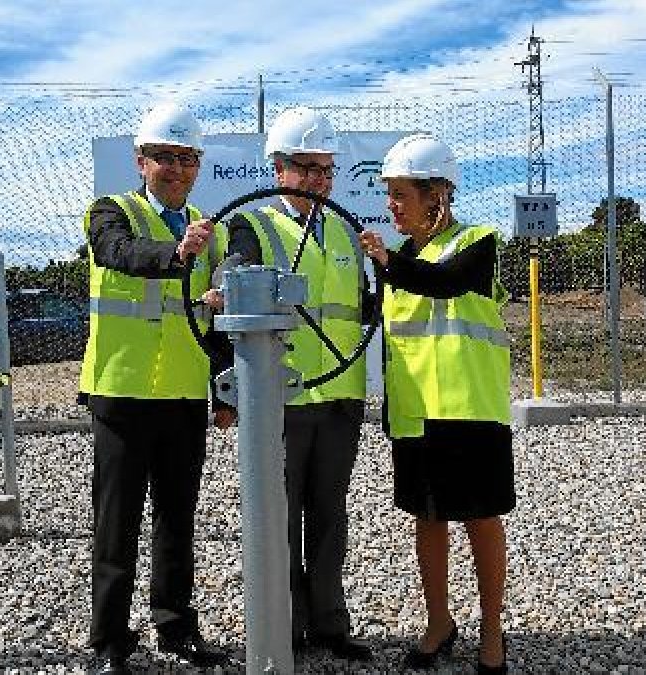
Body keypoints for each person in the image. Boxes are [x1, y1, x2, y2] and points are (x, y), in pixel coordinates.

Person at [78, 101, 231, 675]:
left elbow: (211, 319)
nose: (175, 169)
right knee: (116, 521)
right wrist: (176, 253)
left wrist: (224, 392)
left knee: (176, 518)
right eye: (164, 158)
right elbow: (118, 256)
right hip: (122, 391)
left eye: (186, 159)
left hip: (185, 395)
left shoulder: (208, 232)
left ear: (197, 166)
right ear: (141, 162)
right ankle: (110, 640)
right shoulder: (110, 212)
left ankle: (175, 627)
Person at [358, 134, 514, 673]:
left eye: (401, 194)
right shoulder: (398, 256)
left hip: (469, 410)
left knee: (480, 519)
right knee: (428, 520)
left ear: (437, 196)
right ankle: (439, 622)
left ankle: (492, 632)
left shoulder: (477, 241)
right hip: (414, 412)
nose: (392, 205)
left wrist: (386, 264)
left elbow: (449, 283)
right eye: (390, 194)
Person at [222, 107, 373, 661]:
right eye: (307, 167)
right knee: (280, 517)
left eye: (326, 169)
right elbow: (234, 285)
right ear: (279, 168)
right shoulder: (254, 226)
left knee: (330, 514)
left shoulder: (347, 231)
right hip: (282, 397)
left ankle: (331, 624)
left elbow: (361, 306)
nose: (318, 180)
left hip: (340, 394)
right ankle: (284, 628)